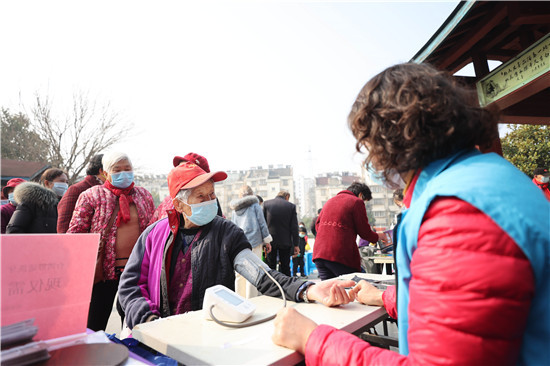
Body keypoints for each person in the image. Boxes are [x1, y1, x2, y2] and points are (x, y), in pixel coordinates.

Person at [272, 63, 549, 365]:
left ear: (389, 140)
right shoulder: (491, 177)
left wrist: (312, 338)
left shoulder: (456, 214)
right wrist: (384, 297)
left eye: (367, 145)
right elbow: (457, 306)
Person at [118, 162, 355, 331]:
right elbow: (130, 286)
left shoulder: (226, 233)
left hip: (210, 334)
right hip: (160, 334)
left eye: (212, 194)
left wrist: (309, 290)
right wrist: (149, 320)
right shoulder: (153, 235)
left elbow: (263, 277)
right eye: (200, 197)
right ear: (179, 205)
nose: (210, 201)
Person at [67, 152, 155, 331]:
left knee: (133, 325)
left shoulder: (143, 195)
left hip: (136, 273)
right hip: (102, 274)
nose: (124, 173)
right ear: (105, 173)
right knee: (94, 324)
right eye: (117, 170)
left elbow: (152, 230)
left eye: (127, 169)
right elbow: (76, 234)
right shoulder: (91, 196)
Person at [313, 182, 388, 280]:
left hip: (319, 254)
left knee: (330, 291)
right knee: (359, 285)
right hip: (339, 256)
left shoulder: (330, 201)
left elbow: (317, 226)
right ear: (361, 195)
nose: (363, 203)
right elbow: (365, 232)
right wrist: (380, 236)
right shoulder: (356, 202)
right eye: (364, 201)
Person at [148, 153, 223, 225]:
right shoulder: (167, 203)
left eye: (188, 168)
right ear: (178, 204)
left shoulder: (211, 204)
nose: (180, 172)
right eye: (179, 168)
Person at [230, 184, 273, 298]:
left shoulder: (235, 209)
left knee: (240, 273)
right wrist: (267, 241)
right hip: (254, 241)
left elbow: (233, 227)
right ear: (251, 194)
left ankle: (240, 298)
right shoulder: (255, 205)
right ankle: (252, 299)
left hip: (239, 243)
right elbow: (262, 223)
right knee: (254, 271)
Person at [6, 168, 68, 233]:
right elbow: (14, 230)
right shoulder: (30, 201)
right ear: (47, 183)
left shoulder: (64, 205)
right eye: (61, 181)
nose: (65, 185)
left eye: (67, 182)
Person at [57, 154, 106, 233]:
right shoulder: (77, 190)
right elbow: (63, 225)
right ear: (101, 171)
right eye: (115, 169)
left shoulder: (111, 192)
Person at [263, 190, 299, 276]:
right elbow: (294, 227)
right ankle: (286, 287)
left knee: (271, 266)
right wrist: (296, 245)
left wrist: (264, 242)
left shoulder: (266, 204)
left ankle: (271, 286)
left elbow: (263, 224)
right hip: (285, 241)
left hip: (270, 241)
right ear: (287, 196)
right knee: (285, 266)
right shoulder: (291, 206)